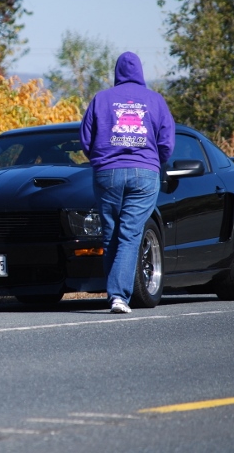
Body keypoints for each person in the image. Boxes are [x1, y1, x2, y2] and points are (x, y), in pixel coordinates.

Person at [79, 51, 175, 314]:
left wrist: (101, 159)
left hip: (107, 173)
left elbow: (86, 140)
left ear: (117, 72)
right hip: (144, 173)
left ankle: (114, 294)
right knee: (130, 232)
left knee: (111, 233)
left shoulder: (101, 99)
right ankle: (119, 296)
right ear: (140, 72)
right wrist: (156, 161)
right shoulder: (155, 100)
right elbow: (166, 144)